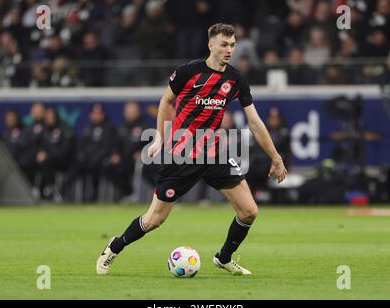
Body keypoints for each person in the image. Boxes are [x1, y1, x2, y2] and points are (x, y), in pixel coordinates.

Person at [96, 23, 287, 275]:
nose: (229, 50)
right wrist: (160, 139)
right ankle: (114, 246)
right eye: (223, 44)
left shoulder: (236, 79)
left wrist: (276, 157)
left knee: (249, 211)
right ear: (211, 45)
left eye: (232, 45)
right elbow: (166, 101)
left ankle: (224, 258)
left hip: (215, 153)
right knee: (154, 220)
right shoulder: (188, 72)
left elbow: (254, 121)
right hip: (182, 154)